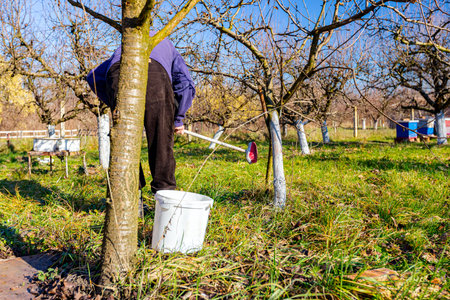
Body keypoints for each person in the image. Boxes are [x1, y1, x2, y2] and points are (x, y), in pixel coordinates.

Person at [86, 32, 195, 195]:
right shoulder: (168, 44)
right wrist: (177, 120)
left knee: (125, 143)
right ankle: (163, 202)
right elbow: (186, 84)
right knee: (161, 143)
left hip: (117, 73)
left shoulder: (126, 45)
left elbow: (92, 77)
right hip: (155, 74)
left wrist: (114, 102)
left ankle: (132, 202)